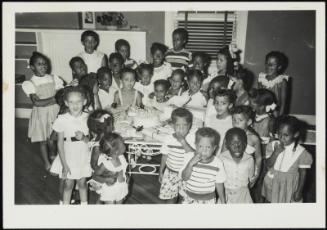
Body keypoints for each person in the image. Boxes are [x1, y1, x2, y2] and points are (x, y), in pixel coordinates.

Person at [22, 51, 64, 171]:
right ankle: (47, 162)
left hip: (55, 113)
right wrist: (54, 99)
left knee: (53, 139)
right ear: (32, 67)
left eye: (45, 64)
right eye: (39, 64)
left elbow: (61, 96)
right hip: (41, 115)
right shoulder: (30, 83)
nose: (43, 66)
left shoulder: (53, 78)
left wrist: (53, 100)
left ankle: (54, 157)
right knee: (43, 141)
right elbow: (37, 103)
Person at [50, 86, 91, 205]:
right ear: (66, 103)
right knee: (68, 184)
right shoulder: (62, 119)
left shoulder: (88, 118)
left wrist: (83, 138)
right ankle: (65, 208)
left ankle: (84, 206)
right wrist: (64, 165)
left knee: (82, 183)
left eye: (78, 101)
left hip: (83, 155)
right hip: (68, 156)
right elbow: (60, 144)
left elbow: (91, 142)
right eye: (71, 102)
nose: (75, 105)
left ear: (84, 102)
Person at [262, 115, 313, 203]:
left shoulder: (301, 153)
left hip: (288, 186)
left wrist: (299, 191)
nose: (281, 138)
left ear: (295, 134)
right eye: (279, 134)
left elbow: (303, 174)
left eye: (286, 135)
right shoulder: (272, 146)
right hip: (272, 183)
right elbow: (268, 164)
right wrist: (276, 153)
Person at [180, 127, 226, 204]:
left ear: (214, 148)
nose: (204, 151)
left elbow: (219, 183)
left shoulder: (218, 163)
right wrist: (190, 164)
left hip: (208, 200)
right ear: (195, 145)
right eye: (200, 146)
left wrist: (223, 201)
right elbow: (184, 178)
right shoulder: (189, 157)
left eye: (208, 147)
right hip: (188, 197)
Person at [158, 108, 195, 204]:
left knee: (186, 198)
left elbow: (194, 155)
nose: (181, 129)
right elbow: (164, 156)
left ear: (190, 125)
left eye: (184, 125)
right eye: (178, 125)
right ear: (173, 126)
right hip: (171, 173)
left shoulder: (192, 138)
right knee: (171, 198)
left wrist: (183, 141)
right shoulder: (168, 138)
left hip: (187, 174)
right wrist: (161, 171)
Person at [86, 110, 117, 204]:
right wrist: (106, 175)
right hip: (102, 177)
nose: (113, 126)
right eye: (111, 124)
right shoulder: (98, 146)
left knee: (103, 197)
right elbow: (93, 164)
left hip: (111, 173)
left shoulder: (109, 140)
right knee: (109, 199)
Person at [219, 128, 255, 203]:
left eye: (240, 143)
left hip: (243, 195)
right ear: (227, 145)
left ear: (245, 144)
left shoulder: (249, 159)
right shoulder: (222, 158)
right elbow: (218, 180)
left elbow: (251, 179)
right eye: (233, 144)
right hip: (226, 195)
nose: (237, 147)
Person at [92, 132, 129, 204]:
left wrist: (127, 178)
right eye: (123, 144)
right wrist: (106, 179)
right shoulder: (105, 164)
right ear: (116, 151)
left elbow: (123, 171)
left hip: (121, 188)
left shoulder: (122, 158)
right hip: (109, 191)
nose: (125, 145)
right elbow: (95, 176)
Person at [204, 89, 236, 154]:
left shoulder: (233, 121)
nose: (219, 106)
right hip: (209, 153)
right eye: (216, 103)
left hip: (224, 154)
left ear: (230, 105)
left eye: (223, 103)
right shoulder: (211, 118)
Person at [258, 51, 289, 116]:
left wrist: (279, 118)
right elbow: (259, 99)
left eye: (272, 64)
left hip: (275, 113)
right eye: (267, 63)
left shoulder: (282, 81)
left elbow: (283, 103)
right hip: (263, 112)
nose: (268, 66)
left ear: (279, 67)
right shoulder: (261, 79)